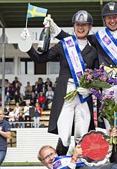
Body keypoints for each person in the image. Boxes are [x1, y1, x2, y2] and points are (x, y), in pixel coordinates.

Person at [51, 2, 117, 166]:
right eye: (108, 18)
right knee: (110, 130)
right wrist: (57, 32)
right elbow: (76, 39)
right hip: (107, 91)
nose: (112, 20)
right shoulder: (98, 38)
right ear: (104, 20)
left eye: (114, 17)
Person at [22, 10, 98, 155]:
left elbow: (97, 75)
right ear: (74, 26)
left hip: (84, 97)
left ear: (89, 27)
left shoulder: (93, 50)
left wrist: (91, 89)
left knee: (81, 137)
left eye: (84, 25)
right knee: (64, 137)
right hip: (66, 95)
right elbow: (40, 59)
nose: (80, 28)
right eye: (78, 25)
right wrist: (27, 46)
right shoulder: (64, 45)